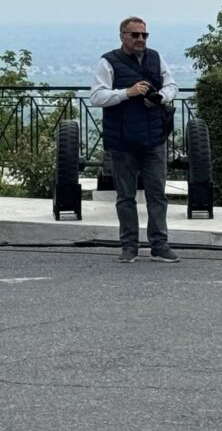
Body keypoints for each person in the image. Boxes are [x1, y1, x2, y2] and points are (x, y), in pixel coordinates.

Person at [90, 16, 179, 263]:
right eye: (135, 35)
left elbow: (172, 86)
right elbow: (96, 97)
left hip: (154, 139)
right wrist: (127, 93)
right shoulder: (107, 62)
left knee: (157, 195)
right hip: (122, 142)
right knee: (125, 197)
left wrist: (160, 97)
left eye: (144, 35)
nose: (140, 39)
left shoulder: (155, 58)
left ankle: (159, 245)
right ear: (123, 36)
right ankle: (129, 246)